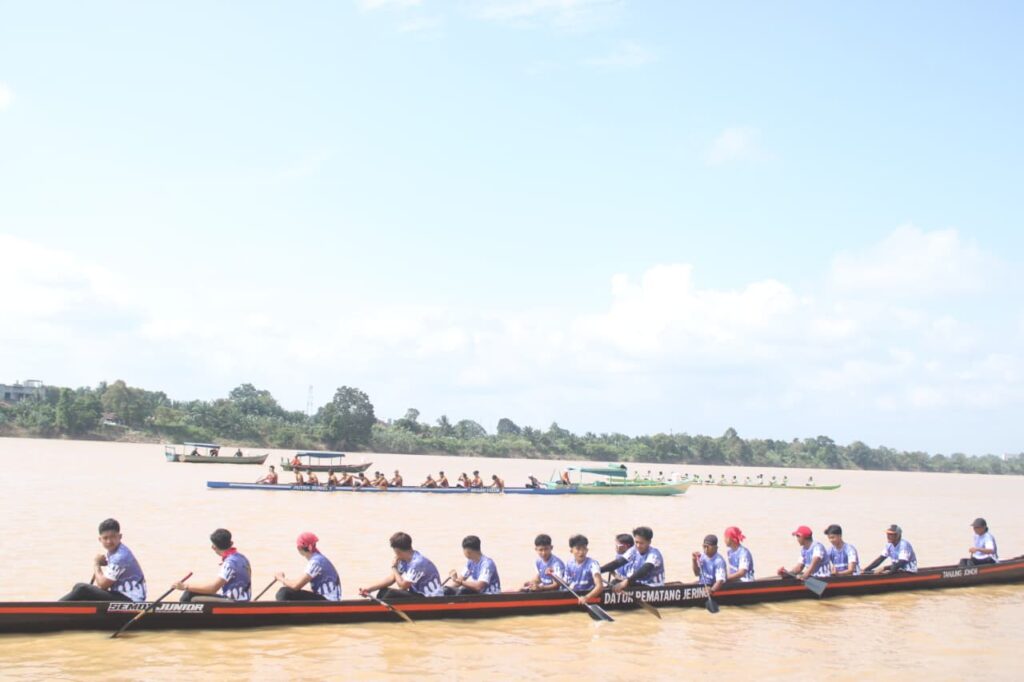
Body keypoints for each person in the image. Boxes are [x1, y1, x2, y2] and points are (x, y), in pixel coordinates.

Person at [60, 518, 147, 602]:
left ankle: (53, 608)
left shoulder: (120, 557)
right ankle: (58, 608)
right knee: (78, 588)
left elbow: (102, 585)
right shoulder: (115, 552)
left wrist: (96, 564)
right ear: (100, 539)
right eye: (105, 538)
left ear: (120, 537)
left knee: (81, 589)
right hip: (120, 595)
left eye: (113, 537)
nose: (109, 541)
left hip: (131, 600)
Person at [359, 532, 444, 599]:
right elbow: (392, 578)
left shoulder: (417, 563)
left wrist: (394, 568)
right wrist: (369, 589)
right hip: (418, 595)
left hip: (431, 598)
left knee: (389, 593)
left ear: (397, 551)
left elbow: (403, 586)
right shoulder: (405, 560)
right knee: (383, 591)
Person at [176, 528, 251, 602]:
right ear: (231, 543)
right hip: (244, 600)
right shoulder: (243, 558)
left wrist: (184, 586)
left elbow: (213, 589)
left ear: (213, 547)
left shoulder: (229, 563)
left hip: (232, 602)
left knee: (189, 594)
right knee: (194, 590)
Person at [275, 532, 342, 601]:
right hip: (328, 599)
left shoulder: (316, 562)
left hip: (328, 601)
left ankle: (284, 608)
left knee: (284, 592)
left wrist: (280, 578)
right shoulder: (319, 558)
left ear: (299, 548)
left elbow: (295, 586)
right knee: (291, 591)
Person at [602, 526, 665, 593]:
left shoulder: (654, 554)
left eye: (641, 543)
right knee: (614, 583)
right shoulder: (634, 550)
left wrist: (626, 582)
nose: (638, 546)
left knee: (618, 584)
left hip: (653, 587)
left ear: (649, 542)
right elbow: (618, 562)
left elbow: (644, 570)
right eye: (636, 542)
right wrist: (599, 570)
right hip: (639, 583)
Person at [559, 534, 604, 605]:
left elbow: (600, 586)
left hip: (587, 596)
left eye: (584, 549)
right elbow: (566, 583)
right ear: (571, 550)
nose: (581, 552)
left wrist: (586, 597)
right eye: (578, 549)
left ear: (587, 550)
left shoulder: (593, 564)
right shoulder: (569, 563)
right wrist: (554, 577)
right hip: (574, 593)